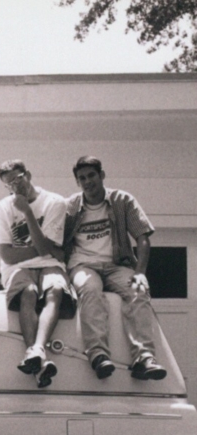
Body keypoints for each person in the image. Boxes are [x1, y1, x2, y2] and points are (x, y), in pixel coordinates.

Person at [64, 156, 166, 380]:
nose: (87, 181)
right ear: (77, 182)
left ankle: (145, 357)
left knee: (137, 290)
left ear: (102, 175)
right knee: (90, 290)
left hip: (116, 265)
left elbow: (143, 237)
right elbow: (57, 240)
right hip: (83, 264)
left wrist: (140, 272)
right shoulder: (70, 206)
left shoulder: (122, 200)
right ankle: (98, 354)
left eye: (91, 175)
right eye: (82, 178)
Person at [0, 160, 76, 388]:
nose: (15, 186)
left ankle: (37, 349)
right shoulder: (2, 208)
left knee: (55, 290)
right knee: (27, 292)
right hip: (17, 269)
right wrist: (42, 248)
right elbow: (7, 256)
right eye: (9, 184)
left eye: (18, 179)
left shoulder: (54, 202)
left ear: (28, 174)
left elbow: (44, 249)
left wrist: (27, 211)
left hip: (49, 265)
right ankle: (37, 355)